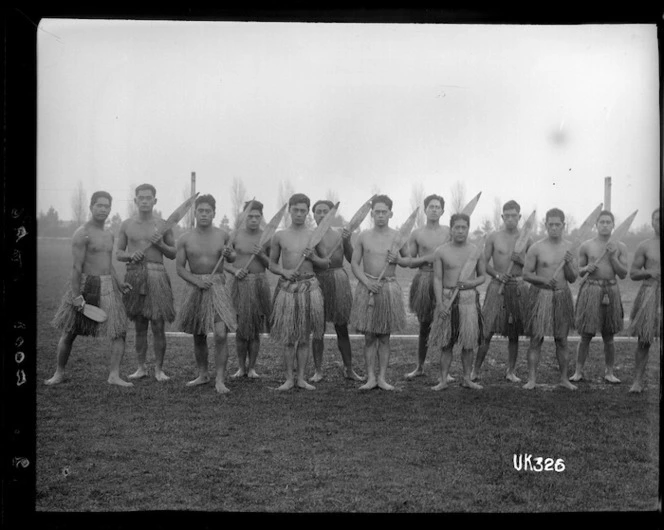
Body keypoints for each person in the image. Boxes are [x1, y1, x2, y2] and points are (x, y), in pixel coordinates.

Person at [46, 191, 133, 387]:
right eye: (99, 205)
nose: (103, 209)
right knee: (69, 331)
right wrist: (76, 297)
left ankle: (114, 375)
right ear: (91, 207)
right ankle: (59, 373)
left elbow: (107, 263)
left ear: (110, 209)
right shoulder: (81, 233)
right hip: (85, 285)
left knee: (119, 331)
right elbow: (76, 267)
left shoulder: (109, 234)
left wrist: (119, 283)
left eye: (106, 206)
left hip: (108, 286)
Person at [175, 194, 237, 394]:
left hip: (217, 287)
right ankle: (203, 374)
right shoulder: (184, 238)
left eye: (207, 211)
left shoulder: (223, 235)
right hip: (196, 287)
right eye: (200, 211)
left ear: (214, 213)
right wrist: (197, 282)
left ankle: (220, 379)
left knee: (220, 334)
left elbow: (233, 257)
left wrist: (230, 254)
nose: (203, 214)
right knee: (199, 334)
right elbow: (180, 269)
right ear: (195, 213)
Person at [116, 183, 176, 382]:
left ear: (154, 200)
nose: (144, 201)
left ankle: (159, 369)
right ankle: (141, 367)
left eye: (148, 198)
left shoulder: (163, 224)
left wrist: (160, 244)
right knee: (140, 325)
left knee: (158, 324)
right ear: (135, 200)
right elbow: (118, 253)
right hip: (135, 275)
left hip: (157, 275)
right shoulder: (126, 225)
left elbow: (173, 253)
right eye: (140, 198)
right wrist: (130, 255)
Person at [269, 193, 328, 391]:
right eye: (296, 210)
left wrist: (313, 256)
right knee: (288, 336)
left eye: (303, 210)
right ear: (290, 210)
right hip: (288, 290)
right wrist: (284, 271)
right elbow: (271, 264)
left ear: (307, 212)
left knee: (303, 336)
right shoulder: (280, 235)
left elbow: (325, 263)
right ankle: (288, 379)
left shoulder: (314, 235)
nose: (299, 214)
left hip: (309, 288)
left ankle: (301, 378)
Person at [349, 195, 408, 391]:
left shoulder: (398, 236)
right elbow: (354, 264)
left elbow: (407, 261)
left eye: (384, 212)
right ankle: (370, 378)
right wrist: (366, 282)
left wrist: (397, 258)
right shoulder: (363, 236)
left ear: (390, 213)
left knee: (384, 336)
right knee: (368, 337)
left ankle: (382, 378)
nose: (380, 215)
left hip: (388, 288)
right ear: (372, 214)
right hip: (367, 289)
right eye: (377, 212)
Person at [471, 200, 532, 383]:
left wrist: (520, 260)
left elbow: (531, 267)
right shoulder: (493, 237)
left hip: (518, 287)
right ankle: (475, 370)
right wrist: (497, 275)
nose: (511, 219)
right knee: (487, 330)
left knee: (514, 332)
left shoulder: (527, 239)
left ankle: (511, 371)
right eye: (507, 216)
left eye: (514, 215)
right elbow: (483, 263)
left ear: (519, 217)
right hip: (497, 287)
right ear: (502, 217)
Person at [427, 213, 486, 391]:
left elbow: (482, 277)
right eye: (457, 227)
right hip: (447, 298)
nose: (460, 231)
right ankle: (443, 380)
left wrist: (470, 282)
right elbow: (437, 278)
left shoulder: (476, 251)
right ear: (451, 229)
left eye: (464, 227)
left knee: (468, 344)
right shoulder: (441, 251)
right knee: (446, 344)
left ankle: (467, 379)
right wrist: (440, 303)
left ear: (468, 229)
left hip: (468, 301)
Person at [522, 208, 578, 390]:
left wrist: (569, 263)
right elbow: (526, 274)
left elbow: (572, 278)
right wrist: (544, 280)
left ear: (564, 226)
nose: (554, 228)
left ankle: (564, 379)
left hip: (562, 296)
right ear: (545, 225)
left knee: (561, 339)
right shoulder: (536, 247)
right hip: (540, 296)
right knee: (536, 339)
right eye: (551, 224)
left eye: (557, 225)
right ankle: (532, 379)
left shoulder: (569, 248)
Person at [571, 211, 628, 383]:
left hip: (611, 290)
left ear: (613, 225)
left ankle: (609, 372)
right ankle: (578, 371)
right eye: (601, 222)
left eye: (608, 222)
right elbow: (578, 271)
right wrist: (586, 268)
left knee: (609, 336)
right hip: (591, 290)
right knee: (586, 334)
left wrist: (612, 257)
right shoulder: (586, 246)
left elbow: (623, 273)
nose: (604, 225)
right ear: (596, 225)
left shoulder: (621, 247)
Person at [310, 199, 363, 382]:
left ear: (332, 214)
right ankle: (318, 371)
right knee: (318, 328)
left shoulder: (341, 234)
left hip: (339, 280)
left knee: (341, 327)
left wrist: (347, 241)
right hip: (318, 281)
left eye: (326, 211)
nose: (322, 214)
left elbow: (350, 257)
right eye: (318, 211)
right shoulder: (309, 236)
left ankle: (349, 369)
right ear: (313, 214)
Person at [403, 194, 451, 380]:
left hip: (444, 280)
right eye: (430, 206)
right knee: (424, 325)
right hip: (423, 280)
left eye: (437, 207)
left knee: (444, 323)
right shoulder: (417, 234)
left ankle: (444, 371)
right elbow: (410, 262)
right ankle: (420, 366)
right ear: (425, 210)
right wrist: (426, 259)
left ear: (442, 211)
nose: (434, 209)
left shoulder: (449, 232)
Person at [224, 200, 272, 379]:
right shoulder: (234, 235)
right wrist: (235, 271)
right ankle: (241, 368)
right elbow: (223, 264)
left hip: (259, 284)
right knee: (241, 329)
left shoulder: (267, 237)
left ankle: (252, 368)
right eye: (250, 216)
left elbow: (272, 265)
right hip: (239, 285)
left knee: (255, 329)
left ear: (261, 217)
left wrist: (261, 255)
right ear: (244, 216)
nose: (253, 219)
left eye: (257, 216)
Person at [627, 208, 660, 393]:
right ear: (652, 222)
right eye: (656, 219)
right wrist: (649, 272)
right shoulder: (645, 246)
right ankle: (637, 382)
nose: (659, 222)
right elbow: (633, 273)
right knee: (644, 341)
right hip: (649, 294)